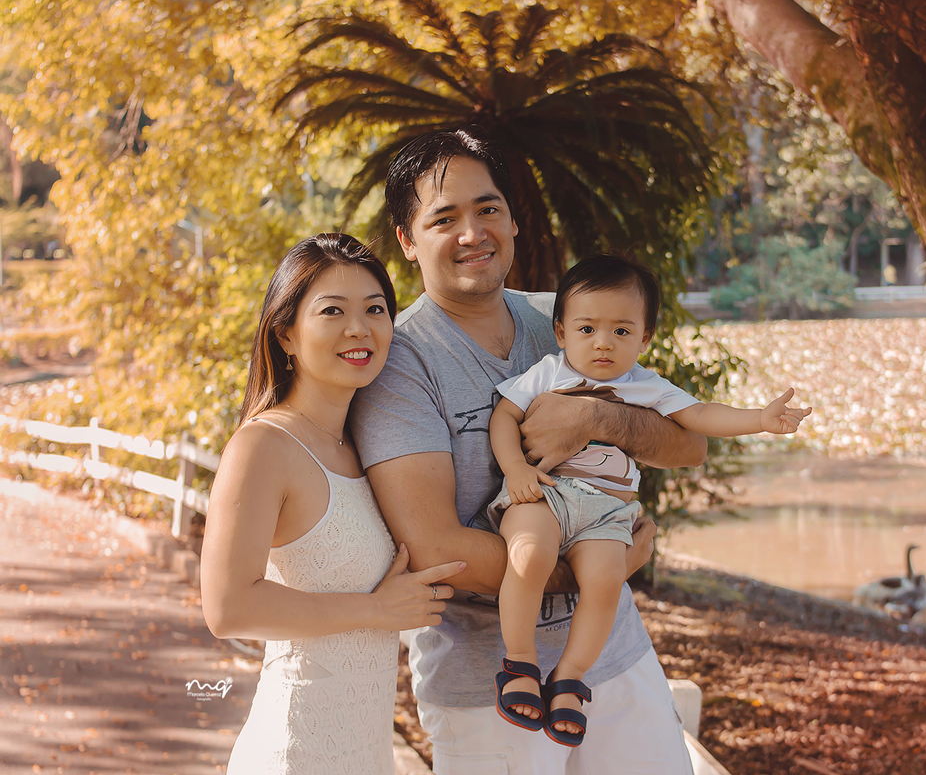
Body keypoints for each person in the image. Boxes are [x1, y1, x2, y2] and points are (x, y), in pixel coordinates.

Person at [350, 127, 706, 774]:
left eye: (488, 208)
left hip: (615, 658)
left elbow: (689, 445)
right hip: (488, 691)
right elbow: (435, 547)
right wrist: (605, 568)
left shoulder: (568, 322)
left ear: (513, 220)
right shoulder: (400, 364)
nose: (473, 232)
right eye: (444, 218)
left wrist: (598, 416)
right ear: (407, 240)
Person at [487, 253, 811, 745]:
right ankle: (520, 664)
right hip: (543, 496)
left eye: (621, 331)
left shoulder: (646, 386)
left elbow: (699, 417)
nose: (603, 342)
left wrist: (759, 420)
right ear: (561, 332)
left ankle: (569, 678)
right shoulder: (548, 373)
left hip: (605, 513)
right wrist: (515, 469)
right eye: (587, 329)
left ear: (645, 338)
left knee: (606, 579)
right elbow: (504, 417)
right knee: (529, 555)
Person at [200, 233, 466, 774]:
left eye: (375, 309)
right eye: (332, 311)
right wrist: (376, 610)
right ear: (286, 334)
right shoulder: (264, 446)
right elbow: (227, 607)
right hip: (295, 751)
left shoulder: (368, 445)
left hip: (366, 753)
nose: (359, 328)